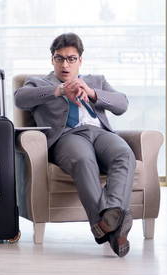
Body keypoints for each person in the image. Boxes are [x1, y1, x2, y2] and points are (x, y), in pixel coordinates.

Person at [14, 32, 136, 257]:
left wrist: (91, 93)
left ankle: (108, 222)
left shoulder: (96, 80)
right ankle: (114, 227)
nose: (65, 64)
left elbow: (122, 103)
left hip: (99, 133)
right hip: (67, 137)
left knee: (124, 154)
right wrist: (58, 90)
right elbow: (20, 98)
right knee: (83, 159)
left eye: (71, 58)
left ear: (80, 60)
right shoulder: (39, 82)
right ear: (52, 60)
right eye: (59, 58)